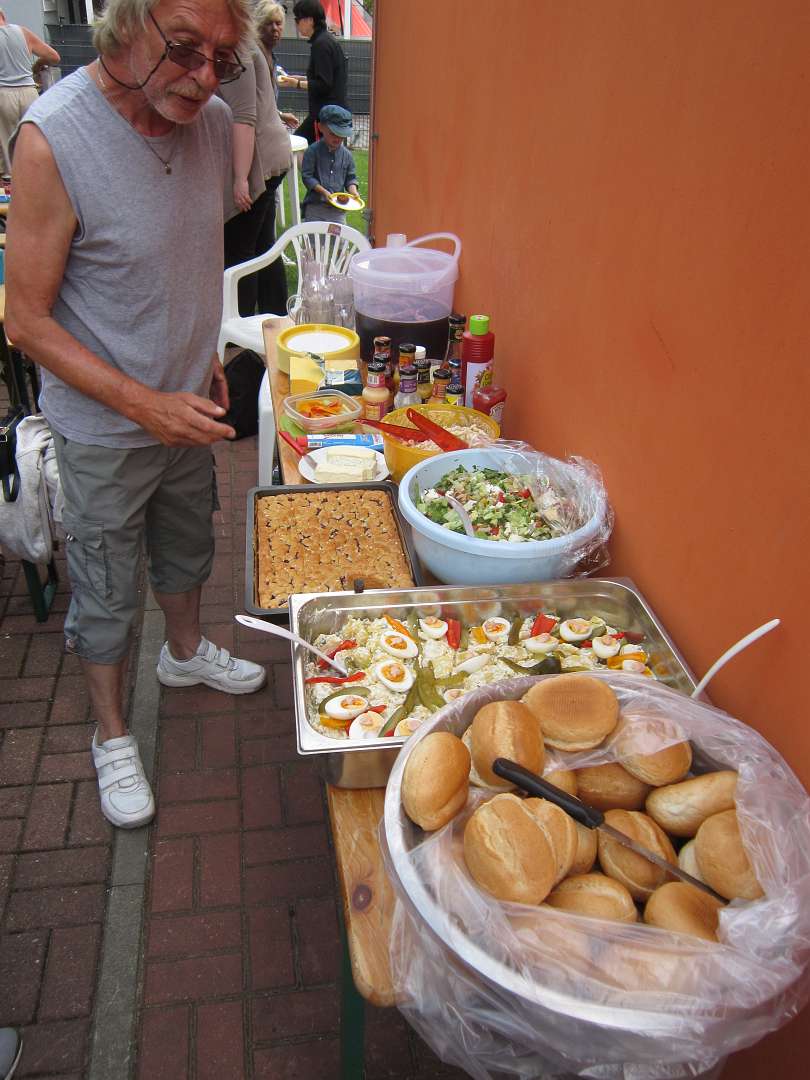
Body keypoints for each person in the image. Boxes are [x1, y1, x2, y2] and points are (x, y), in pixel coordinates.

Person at [4, 0, 264, 831]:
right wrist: (143, 403)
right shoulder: (53, 139)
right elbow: (24, 320)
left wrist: (204, 349)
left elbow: (184, 252)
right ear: (124, 22)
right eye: (184, 49)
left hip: (185, 405)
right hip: (106, 431)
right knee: (107, 591)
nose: (204, 78)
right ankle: (111, 732)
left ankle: (183, 655)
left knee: (188, 548)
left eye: (223, 59)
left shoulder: (211, 121)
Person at [220, 42, 292, 316]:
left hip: (259, 163)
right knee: (263, 247)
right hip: (270, 155)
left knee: (240, 254)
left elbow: (244, 117)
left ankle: (240, 325)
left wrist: (241, 178)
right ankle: (276, 318)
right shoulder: (245, 45)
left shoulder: (238, 48)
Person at [0, 6, 60, 174]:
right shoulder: (23, 32)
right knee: (35, 141)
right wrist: (37, 65)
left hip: (4, 96)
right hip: (30, 94)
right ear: (3, 15)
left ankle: (14, 182)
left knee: (9, 150)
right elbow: (54, 57)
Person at [291, 0, 347, 145]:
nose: (296, 24)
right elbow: (324, 77)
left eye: (297, 19)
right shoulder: (326, 41)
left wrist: (297, 84)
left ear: (309, 20)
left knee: (296, 146)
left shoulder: (321, 45)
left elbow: (324, 84)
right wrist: (298, 79)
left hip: (325, 116)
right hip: (330, 114)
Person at [301, 103, 358, 223]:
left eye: (341, 135)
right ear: (320, 127)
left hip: (338, 210)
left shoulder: (347, 155)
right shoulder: (312, 151)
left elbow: (350, 177)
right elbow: (307, 177)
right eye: (333, 133)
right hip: (315, 207)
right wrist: (323, 192)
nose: (337, 138)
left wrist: (353, 190)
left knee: (337, 235)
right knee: (314, 235)